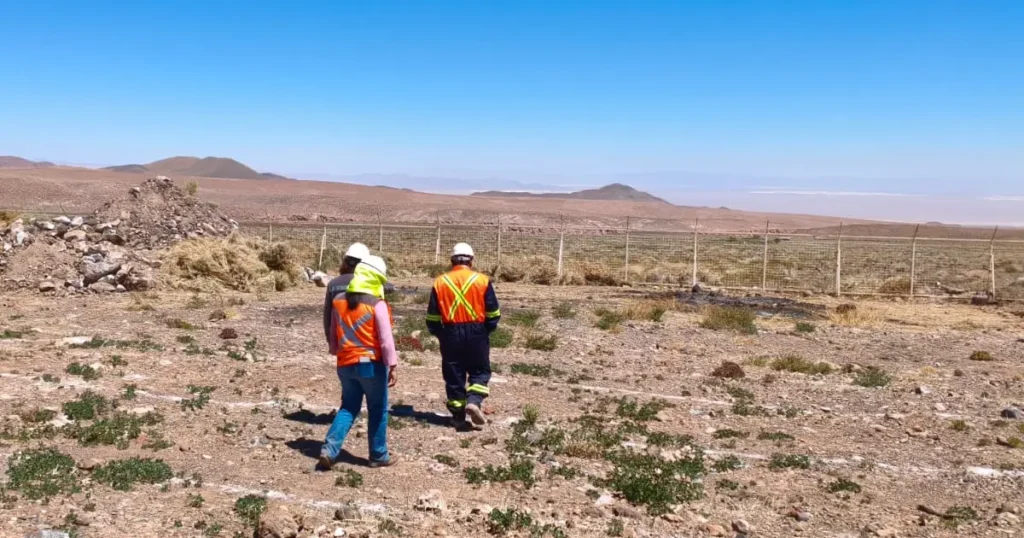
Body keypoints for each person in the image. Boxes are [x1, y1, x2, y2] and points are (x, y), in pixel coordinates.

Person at [319, 255, 398, 470]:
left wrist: (336, 351)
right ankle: (378, 454)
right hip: (370, 364)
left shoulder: (339, 300)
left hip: (345, 362)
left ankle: (329, 450)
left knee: (348, 407)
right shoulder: (377, 304)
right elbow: (386, 340)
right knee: (377, 408)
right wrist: (392, 364)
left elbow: (334, 333)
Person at [425, 243, 501, 430]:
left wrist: (441, 334)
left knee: (454, 375)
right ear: (471, 260)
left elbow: (432, 316)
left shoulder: (440, 282)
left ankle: (458, 417)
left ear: (452, 260)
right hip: (477, 331)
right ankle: (474, 401)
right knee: (480, 371)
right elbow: (493, 312)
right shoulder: (482, 280)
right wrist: (485, 330)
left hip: (450, 332)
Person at [322, 243, 370, 345]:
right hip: (365, 339)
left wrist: (330, 340)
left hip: (341, 339)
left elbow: (328, 315)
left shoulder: (333, 284)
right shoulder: (369, 284)